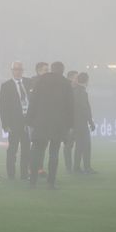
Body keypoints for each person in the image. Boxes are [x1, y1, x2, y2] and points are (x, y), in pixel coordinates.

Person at [26, 61, 74, 189]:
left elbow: (33, 101)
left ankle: (33, 181)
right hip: (58, 125)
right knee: (54, 154)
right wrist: (70, 125)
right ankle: (51, 183)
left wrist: (29, 120)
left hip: (41, 123)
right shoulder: (66, 84)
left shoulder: (41, 81)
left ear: (52, 69)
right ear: (62, 71)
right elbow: (70, 106)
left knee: (37, 152)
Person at [0, 61, 31, 180]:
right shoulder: (6, 85)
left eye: (20, 69)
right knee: (12, 149)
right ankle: (11, 174)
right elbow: (3, 107)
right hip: (14, 123)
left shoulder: (29, 82)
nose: (18, 71)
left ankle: (24, 174)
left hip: (27, 122)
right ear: (12, 71)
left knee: (26, 150)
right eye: (15, 69)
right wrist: (5, 124)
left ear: (23, 70)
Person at [73, 72, 97, 174]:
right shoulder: (82, 92)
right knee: (86, 145)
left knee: (79, 146)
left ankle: (77, 167)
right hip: (81, 123)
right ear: (87, 81)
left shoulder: (73, 91)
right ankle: (87, 167)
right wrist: (90, 122)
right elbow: (85, 108)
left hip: (75, 122)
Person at [29, 62, 49, 177]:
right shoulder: (35, 82)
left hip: (45, 119)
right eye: (45, 70)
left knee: (43, 144)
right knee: (36, 144)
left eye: (48, 69)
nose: (47, 72)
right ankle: (32, 168)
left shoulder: (47, 83)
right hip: (36, 120)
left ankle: (39, 168)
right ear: (38, 71)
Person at [62, 70, 78, 173]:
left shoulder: (76, 89)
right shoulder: (65, 89)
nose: (77, 80)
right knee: (68, 145)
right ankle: (69, 167)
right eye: (76, 77)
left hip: (76, 122)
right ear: (70, 78)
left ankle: (75, 167)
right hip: (68, 123)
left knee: (74, 145)